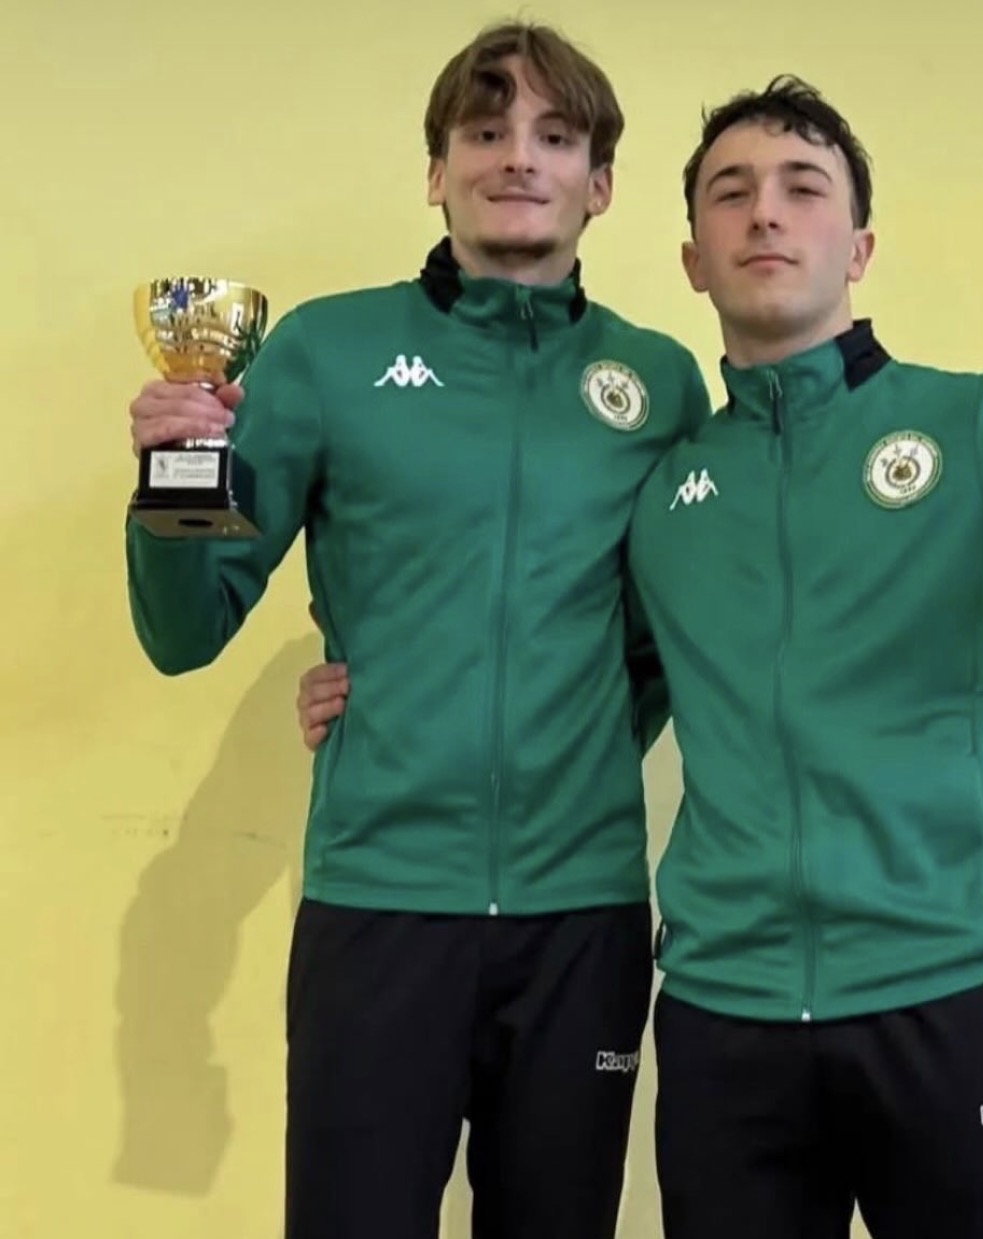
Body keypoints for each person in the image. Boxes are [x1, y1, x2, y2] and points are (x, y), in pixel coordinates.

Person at [295, 76, 983, 1237]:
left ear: (861, 247)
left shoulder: (982, 425)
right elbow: (585, 671)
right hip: (725, 1026)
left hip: (950, 1001)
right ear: (693, 258)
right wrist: (384, 693)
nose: (766, 215)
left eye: (804, 189)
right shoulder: (669, 491)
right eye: (731, 193)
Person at [124, 21, 710, 1239]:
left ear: (601, 183)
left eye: (556, 137)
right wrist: (175, 471)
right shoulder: (326, 351)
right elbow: (187, 630)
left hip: (583, 918)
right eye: (485, 131)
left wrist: (577, 727)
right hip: (379, 906)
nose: (518, 158)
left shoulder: (659, 385)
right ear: (436, 171)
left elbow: (674, 636)